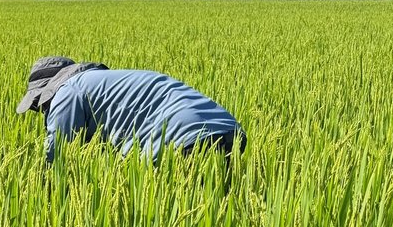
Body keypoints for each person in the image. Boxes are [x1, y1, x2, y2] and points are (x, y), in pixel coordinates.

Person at [17, 56, 245, 163]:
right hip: (229, 130)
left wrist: (46, 193)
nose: (44, 109)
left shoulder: (68, 90)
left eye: (42, 104)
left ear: (49, 88)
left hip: (181, 139)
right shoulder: (104, 82)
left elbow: (58, 155)